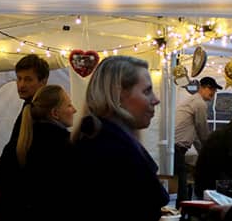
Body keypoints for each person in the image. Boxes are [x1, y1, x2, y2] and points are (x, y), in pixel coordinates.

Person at [70, 55, 169, 221]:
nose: (156, 100)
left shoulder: (96, 138)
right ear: (117, 95)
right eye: (147, 91)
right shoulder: (112, 151)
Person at [0, 84, 76, 219]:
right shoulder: (67, 146)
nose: (74, 110)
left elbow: (5, 190)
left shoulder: (16, 145)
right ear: (55, 113)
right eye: (69, 105)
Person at [0, 54, 49, 219]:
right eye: (19, 79)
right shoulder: (28, 107)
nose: (21, 85)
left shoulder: (40, 113)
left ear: (43, 81)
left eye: (28, 79)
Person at [174, 76, 223, 205]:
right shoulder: (199, 103)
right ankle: (183, 211)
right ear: (202, 88)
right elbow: (203, 131)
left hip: (175, 148)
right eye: (210, 89)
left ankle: (180, 209)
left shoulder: (191, 101)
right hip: (177, 148)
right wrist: (211, 152)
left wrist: (203, 152)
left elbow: (195, 134)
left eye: (214, 90)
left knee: (179, 182)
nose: (213, 93)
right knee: (181, 185)